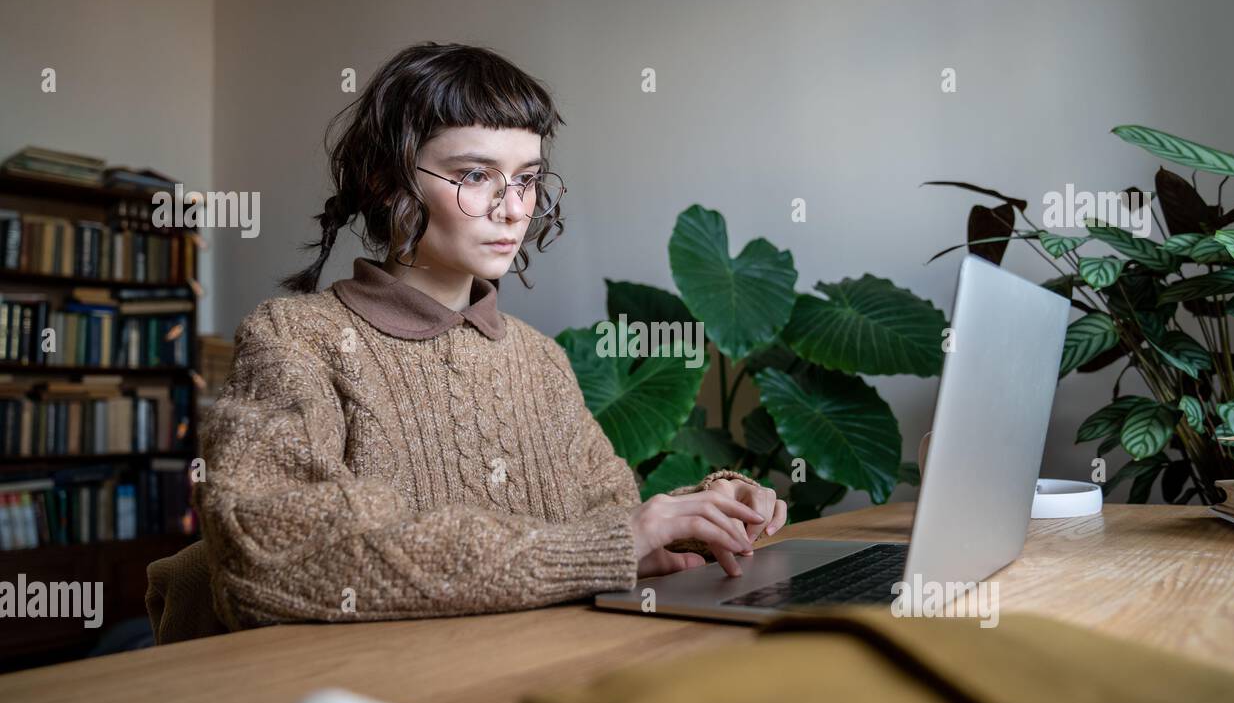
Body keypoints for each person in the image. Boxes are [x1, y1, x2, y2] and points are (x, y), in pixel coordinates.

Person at [182, 41, 787, 633]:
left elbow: (604, 524)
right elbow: (262, 555)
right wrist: (609, 544)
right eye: (475, 174)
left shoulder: (539, 358)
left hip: (554, 671)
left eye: (527, 179)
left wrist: (701, 515)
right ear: (385, 180)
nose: (513, 208)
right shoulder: (294, 338)